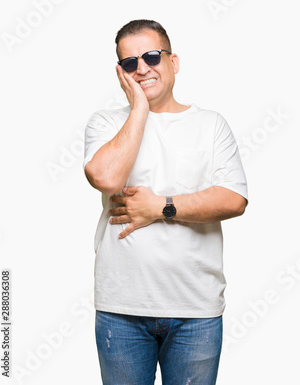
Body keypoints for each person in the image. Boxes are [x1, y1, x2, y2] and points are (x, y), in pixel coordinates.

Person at [83, 19, 248, 385]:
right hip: (121, 310)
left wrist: (160, 208)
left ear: (173, 61)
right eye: (130, 63)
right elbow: (107, 179)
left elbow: (234, 199)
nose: (141, 68)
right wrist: (140, 109)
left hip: (196, 310)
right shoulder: (105, 123)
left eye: (152, 56)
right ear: (120, 72)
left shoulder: (210, 124)